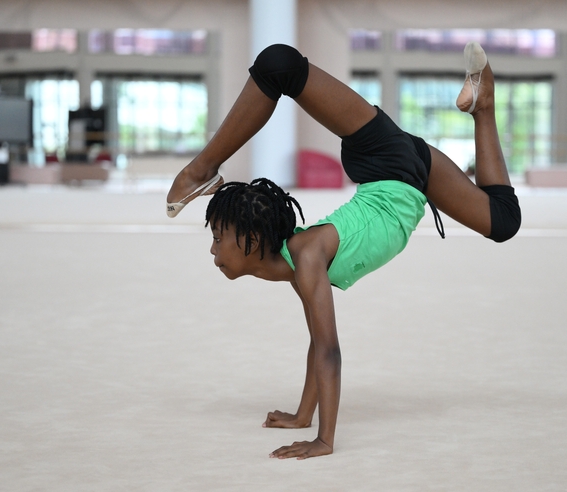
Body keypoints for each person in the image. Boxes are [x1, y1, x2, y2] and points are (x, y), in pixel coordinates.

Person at [165, 42, 521, 459]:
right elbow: (318, 343)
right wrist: (302, 415)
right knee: (503, 222)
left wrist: (323, 439)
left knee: (278, 65)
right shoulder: (298, 261)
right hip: (410, 173)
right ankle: (484, 104)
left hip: (386, 164)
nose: (212, 249)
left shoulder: (308, 258)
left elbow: (330, 350)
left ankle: (200, 169)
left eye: (218, 237)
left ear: (252, 240)